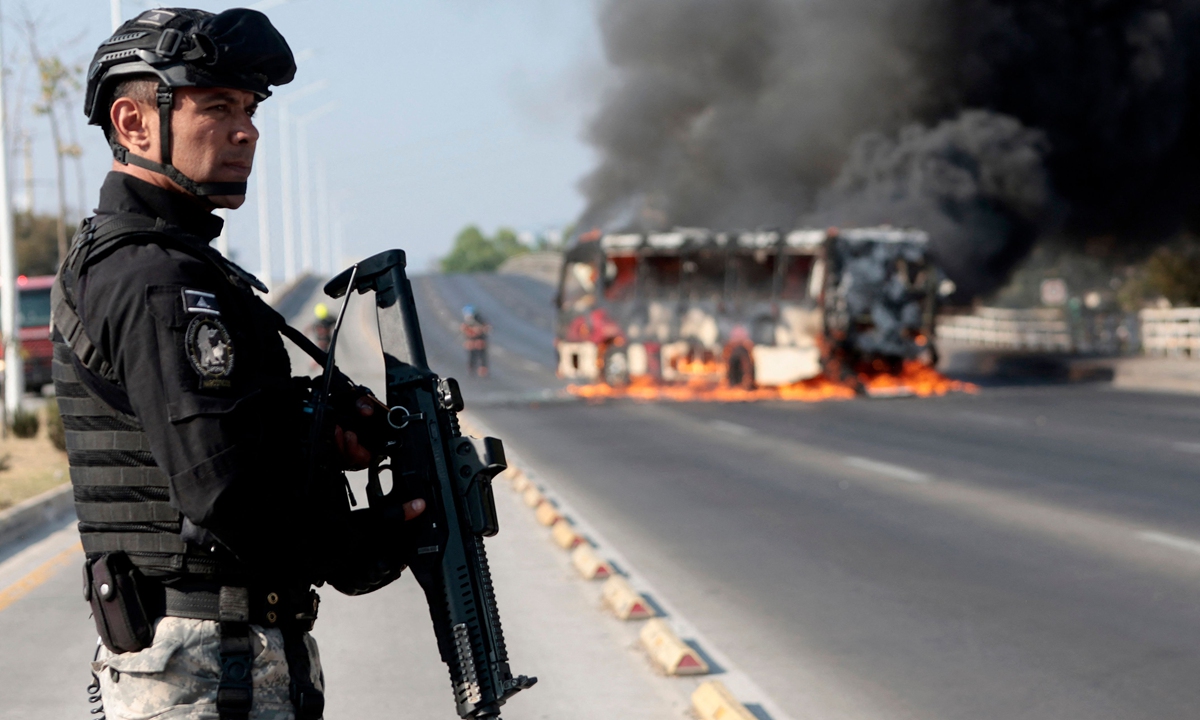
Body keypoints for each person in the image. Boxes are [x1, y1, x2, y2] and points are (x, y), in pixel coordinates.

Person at [54, 9, 422, 720]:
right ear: (133, 124)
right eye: (217, 106)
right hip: (205, 673)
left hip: (221, 662)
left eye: (250, 109)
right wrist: (367, 544)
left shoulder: (179, 266)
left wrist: (316, 427)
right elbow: (223, 495)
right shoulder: (156, 279)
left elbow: (220, 436)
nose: (246, 130)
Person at [461, 305, 490, 377]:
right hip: (472, 340)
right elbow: (464, 329)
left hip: (480, 340)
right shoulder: (467, 322)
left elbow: (486, 329)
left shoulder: (480, 320)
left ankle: (482, 369)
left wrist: (479, 330)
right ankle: (472, 368)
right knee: (472, 354)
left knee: (481, 354)